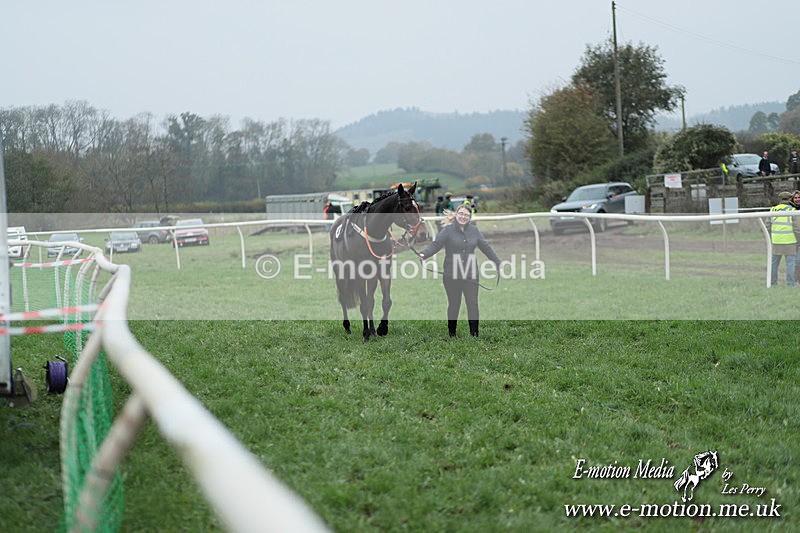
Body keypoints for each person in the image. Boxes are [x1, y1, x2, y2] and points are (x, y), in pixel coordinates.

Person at [417, 204, 501, 338]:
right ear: (456, 215)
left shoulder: (475, 231)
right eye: (461, 213)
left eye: (466, 215)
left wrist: (497, 262)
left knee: (472, 303)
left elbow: (486, 247)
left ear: (470, 217)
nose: (463, 216)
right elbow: (436, 244)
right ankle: (452, 334)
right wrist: (423, 254)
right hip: (451, 275)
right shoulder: (447, 230)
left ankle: (474, 334)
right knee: (454, 304)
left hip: (471, 274)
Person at [769, 191, 800, 287]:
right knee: (790, 263)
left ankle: (773, 282)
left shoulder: (773, 210)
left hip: (776, 241)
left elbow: (767, 225)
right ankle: (790, 284)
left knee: (774, 263)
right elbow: (797, 228)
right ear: (790, 199)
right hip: (789, 241)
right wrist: (798, 240)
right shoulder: (792, 211)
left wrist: (773, 237)